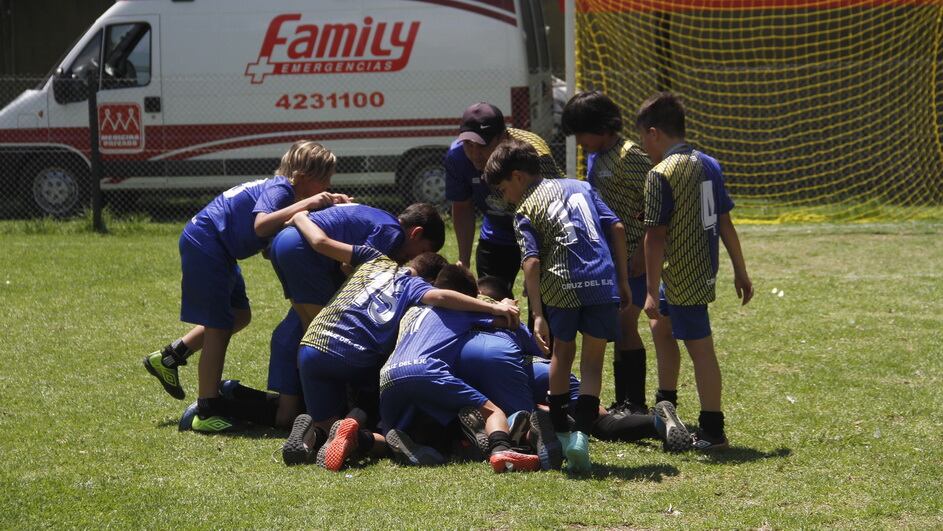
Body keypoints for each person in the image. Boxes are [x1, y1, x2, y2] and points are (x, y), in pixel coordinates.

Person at [282, 216, 519, 471]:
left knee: (327, 422)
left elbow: (321, 242)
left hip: (311, 344)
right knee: (374, 390)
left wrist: (299, 216)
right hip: (354, 355)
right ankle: (358, 426)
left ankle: (314, 436)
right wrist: (491, 307)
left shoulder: (372, 258)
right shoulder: (413, 286)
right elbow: (439, 296)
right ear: (429, 279)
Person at [143, 140, 349, 432]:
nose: (327, 186)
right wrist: (308, 204)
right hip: (207, 243)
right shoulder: (282, 189)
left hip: (217, 248)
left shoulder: (285, 191)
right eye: (325, 180)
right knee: (218, 326)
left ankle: (171, 356)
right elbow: (261, 226)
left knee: (240, 315)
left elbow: (266, 242)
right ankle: (207, 409)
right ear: (302, 179)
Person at [484, 140, 631, 473]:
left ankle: (563, 436)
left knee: (562, 355)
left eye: (505, 188)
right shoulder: (581, 186)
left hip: (561, 285)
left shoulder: (525, 209)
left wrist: (537, 314)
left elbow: (532, 262)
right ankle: (582, 434)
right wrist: (621, 280)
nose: (507, 197)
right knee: (593, 363)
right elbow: (618, 227)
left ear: (519, 177)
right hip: (600, 280)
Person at [636, 92, 754, 451]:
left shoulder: (660, 174)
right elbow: (725, 221)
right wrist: (740, 270)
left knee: (700, 348)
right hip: (701, 268)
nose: (642, 145)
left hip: (680, 273)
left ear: (654, 133)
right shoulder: (708, 163)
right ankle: (665, 405)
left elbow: (654, 236)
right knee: (662, 329)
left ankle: (713, 430)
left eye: (642, 137)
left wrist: (651, 289)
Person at [264, 202, 445, 428]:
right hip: (305, 249)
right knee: (323, 333)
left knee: (303, 326)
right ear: (416, 233)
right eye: (421, 251)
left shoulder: (382, 216)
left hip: (287, 240)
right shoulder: (394, 234)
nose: (411, 259)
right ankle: (323, 405)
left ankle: (291, 409)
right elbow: (350, 267)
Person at [378, 265, 540, 473]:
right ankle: (501, 448)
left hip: (387, 376)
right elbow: (507, 322)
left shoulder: (412, 309)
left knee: (393, 430)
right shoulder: (460, 309)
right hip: (426, 370)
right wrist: (505, 305)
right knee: (492, 412)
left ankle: (372, 441)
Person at [562, 90, 654, 414]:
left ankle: (638, 403)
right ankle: (623, 400)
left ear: (601, 127)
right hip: (609, 259)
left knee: (628, 324)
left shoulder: (632, 156)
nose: (580, 142)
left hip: (633, 258)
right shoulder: (597, 156)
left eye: (582, 134)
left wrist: (643, 250)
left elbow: (656, 204)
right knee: (616, 326)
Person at [446, 102, 563, 294]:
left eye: (482, 146)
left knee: (543, 301)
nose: (475, 154)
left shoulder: (534, 154)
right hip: (497, 232)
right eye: (468, 145)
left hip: (538, 231)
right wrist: (463, 260)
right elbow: (462, 206)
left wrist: (537, 264)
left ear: (504, 138)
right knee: (490, 299)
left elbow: (553, 213)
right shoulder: (457, 157)